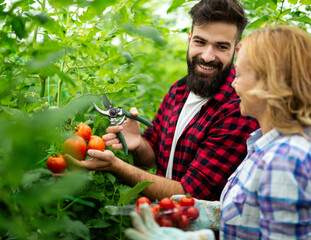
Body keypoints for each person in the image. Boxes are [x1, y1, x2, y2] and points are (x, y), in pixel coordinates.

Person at [124, 25, 311, 240]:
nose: (233, 84)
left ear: (269, 84)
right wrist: (207, 213)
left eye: (240, 74)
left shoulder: (284, 161)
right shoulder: (266, 146)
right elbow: (254, 211)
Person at [66, 0, 259, 201]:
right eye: (200, 42)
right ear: (189, 40)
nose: (208, 56)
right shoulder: (179, 90)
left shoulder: (238, 108)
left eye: (221, 47)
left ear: (236, 50)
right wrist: (139, 143)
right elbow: (154, 156)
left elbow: (188, 195)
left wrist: (116, 166)